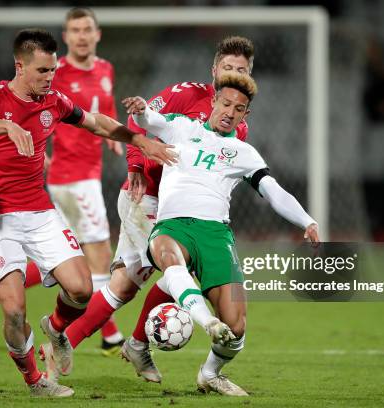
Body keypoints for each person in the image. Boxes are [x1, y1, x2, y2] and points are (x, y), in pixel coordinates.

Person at [0, 28, 174, 397]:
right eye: (42, 71)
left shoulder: (54, 101)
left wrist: (136, 138)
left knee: (80, 289)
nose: (50, 78)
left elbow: (96, 122)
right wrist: (8, 126)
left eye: (53, 70)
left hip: (39, 210)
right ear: (20, 66)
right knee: (13, 311)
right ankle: (35, 381)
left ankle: (57, 328)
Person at [40, 36, 254, 382]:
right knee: (173, 270)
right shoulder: (185, 94)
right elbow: (139, 121)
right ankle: (123, 343)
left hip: (182, 213)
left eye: (240, 70)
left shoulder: (237, 124)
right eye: (227, 67)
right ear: (215, 70)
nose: (232, 74)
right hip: (148, 198)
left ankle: (68, 338)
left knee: (126, 284)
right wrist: (136, 166)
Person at [122, 73, 319, 396]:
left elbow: (273, 191)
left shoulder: (244, 153)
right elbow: (148, 120)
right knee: (170, 259)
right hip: (172, 225)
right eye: (225, 103)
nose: (229, 111)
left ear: (245, 115)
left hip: (216, 234)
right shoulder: (181, 127)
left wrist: (307, 221)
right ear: (213, 101)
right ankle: (206, 322)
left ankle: (210, 373)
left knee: (237, 326)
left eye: (238, 108)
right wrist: (142, 109)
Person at [0, 7, 126, 356]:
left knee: (73, 265)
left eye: (88, 29)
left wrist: (120, 134)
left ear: (98, 34)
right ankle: (107, 334)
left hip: (89, 173)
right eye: (75, 30)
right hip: (68, 179)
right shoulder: (55, 73)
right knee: (98, 256)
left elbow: (101, 112)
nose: (82, 35)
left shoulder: (104, 69)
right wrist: (40, 154)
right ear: (67, 37)